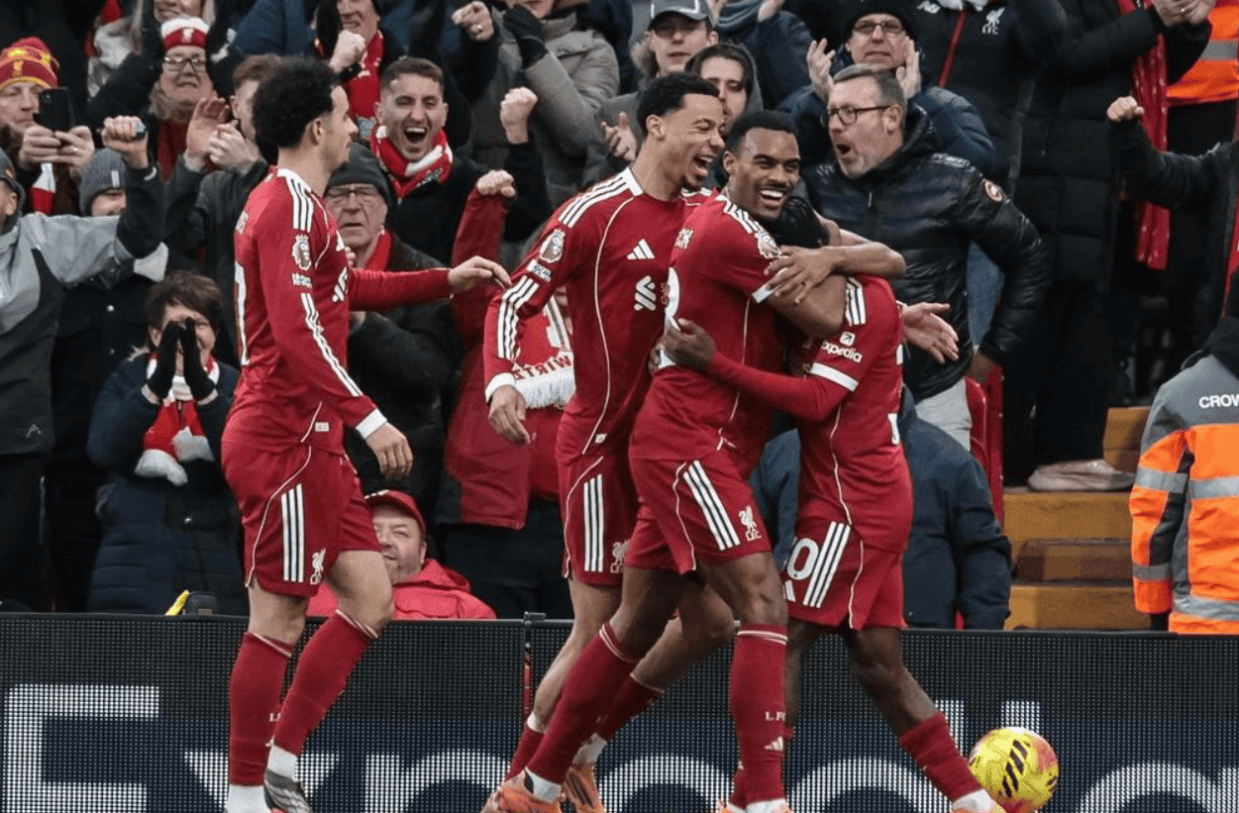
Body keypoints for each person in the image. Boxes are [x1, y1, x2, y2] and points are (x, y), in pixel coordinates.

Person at [484, 109, 905, 813]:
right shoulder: (725, 231)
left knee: (650, 624)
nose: (777, 176)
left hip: (682, 441)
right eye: (759, 161)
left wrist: (849, 274)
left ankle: (540, 782)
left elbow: (880, 266)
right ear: (724, 161)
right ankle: (759, 799)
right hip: (679, 443)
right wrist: (849, 279)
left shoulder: (711, 217)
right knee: (758, 605)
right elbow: (834, 316)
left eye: (790, 166)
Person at [220, 57, 508, 813]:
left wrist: (446, 278)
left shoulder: (299, 205)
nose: (357, 126)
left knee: (371, 599)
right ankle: (244, 794)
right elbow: (298, 332)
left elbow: (345, 289)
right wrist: (369, 417)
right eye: (349, 116)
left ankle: (280, 759)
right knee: (277, 618)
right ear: (319, 126)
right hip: (281, 438)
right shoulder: (285, 204)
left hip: (310, 439)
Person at [661, 240, 1011, 813]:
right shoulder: (828, 301)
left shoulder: (861, 298)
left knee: (778, 637)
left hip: (852, 506)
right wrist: (897, 319)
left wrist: (715, 363)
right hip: (861, 495)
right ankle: (975, 802)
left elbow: (818, 397)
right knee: (880, 666)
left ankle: (753, 801)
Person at [482, 74, 733, 813]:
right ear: (655, 125)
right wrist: (502, 381)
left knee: (712, 622)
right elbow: (513, 298)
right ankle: (521, 788)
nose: (716, 142)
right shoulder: (594, 212)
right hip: (604, 451)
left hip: (680, 456)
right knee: (599, 635)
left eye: (722, 129)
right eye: (704, 126)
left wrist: (884, 305)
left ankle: (577, 752)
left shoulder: (713, 215)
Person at [1009, 0, 1210, 490]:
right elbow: (1064, 53)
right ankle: (1024, 452)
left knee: (1095, 310)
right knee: (1052, 308)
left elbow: (1147, 68)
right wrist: (1155, 19)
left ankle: (1069, 453)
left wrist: (1186, 26)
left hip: (1107, 168)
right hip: (1054, 162)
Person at [804, 64, 1049, 450]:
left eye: (850, 113)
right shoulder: (813, 188)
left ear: (891, 117)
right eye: (831, 113)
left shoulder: (953, 181)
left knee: (940, 492)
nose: (835, 125)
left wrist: (993, 351)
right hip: (838, 393)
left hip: (933, 396)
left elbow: (1030, 257)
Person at [0, 115, 162, 613]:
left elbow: (138, 235)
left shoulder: (44, 238)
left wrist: (140, 166)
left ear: (12, 199)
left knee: (14, 578)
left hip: (18, 442)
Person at [436, 170, 574, 622]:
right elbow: (473, 278)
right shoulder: (500, 309)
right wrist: (485, 208)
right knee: (491, 659)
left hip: (583, 526)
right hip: (490, 525)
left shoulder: (622, 327)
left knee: (580, 658)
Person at [46, 147, 168, 611]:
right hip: (72, 471)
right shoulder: (57, 286)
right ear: (87, 208)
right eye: (110, 195)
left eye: (131, 194)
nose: (122, 205)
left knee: (144, 605)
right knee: (76, 600)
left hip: (151, 471)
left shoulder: (171, 285)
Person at [86, 271, 245, 615]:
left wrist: (204, 391)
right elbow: (103, 449)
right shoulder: (128, 378)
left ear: (216, 335)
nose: (189, 334)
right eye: (177, 325)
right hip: (132, 561)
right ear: (156, 334)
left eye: (199, 324)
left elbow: (250, 463)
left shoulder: (237, 386)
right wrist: (155, 387)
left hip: (213, 559)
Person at [323, 141, 460, 509]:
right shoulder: (301, 271)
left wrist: (362, 320)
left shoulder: (424, 274)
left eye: (366, 193)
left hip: (403, 465)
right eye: (338, 194)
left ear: (386, 206)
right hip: (322, 455)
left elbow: (430, 368)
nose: (353, 205)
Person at [1129, 273, 1239, 634]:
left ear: (1227, 309)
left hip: (1209, 626)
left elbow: (1155, 512)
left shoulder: (1184, 394)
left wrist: (1155, 608)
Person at [782, 0, 999, 174]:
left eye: (891, 27)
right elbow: (778, 157)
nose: (877, 36)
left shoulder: (947, 105)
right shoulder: (808, 99)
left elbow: (979, 168)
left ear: (909, 42)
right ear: (847, 42)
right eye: (865, 27)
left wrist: (917, 106)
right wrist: (822, 105)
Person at [373, 56, 551, 265]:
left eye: (429, 103)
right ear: (379, 113)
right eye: (405, 102)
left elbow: (527, 222)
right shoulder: (356, 170)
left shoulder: (470, 181)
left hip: (442, 287)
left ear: (444, 114)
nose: (418, 115)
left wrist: (518, 134)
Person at [163, 54, 281, 367]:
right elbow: (172, 238)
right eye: (254, 102)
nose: (264, 110)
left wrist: (250, 170)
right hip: (230, 345)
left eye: (274, 100)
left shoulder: (307, 170)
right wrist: (191, 161)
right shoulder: (216, 186)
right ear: (236, 108)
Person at [468, 0, 619, 206]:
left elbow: (586, 138)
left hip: (554, 208)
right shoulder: (473, 38)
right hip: (481, 202)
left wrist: (537, 56)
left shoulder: (594, 49)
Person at [583, 0, 721, 184]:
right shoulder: (614, 114)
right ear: (649, 41)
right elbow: (588, 194)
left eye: (689, 28)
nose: (677, 37)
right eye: (665, 29)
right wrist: (617, 164)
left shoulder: (727, 107)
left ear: (711, 39)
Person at [308, 489, 496, 620]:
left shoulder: (466, 609)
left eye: (400, 533)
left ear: (422, 551)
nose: (383, 541)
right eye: (371, 531)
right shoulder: (306, 598)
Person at [87, 16, 220, 179]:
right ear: (157, 74)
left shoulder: (235, 126)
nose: (187, 70)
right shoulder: (137, 129)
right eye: (175, 61)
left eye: (199, 62)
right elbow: (94, 127)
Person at [3, 36, 95, 215]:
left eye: (39, 93)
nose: (27, 104)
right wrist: (21, 169)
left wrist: (88, 176)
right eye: (13, 93)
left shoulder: (76, 150)